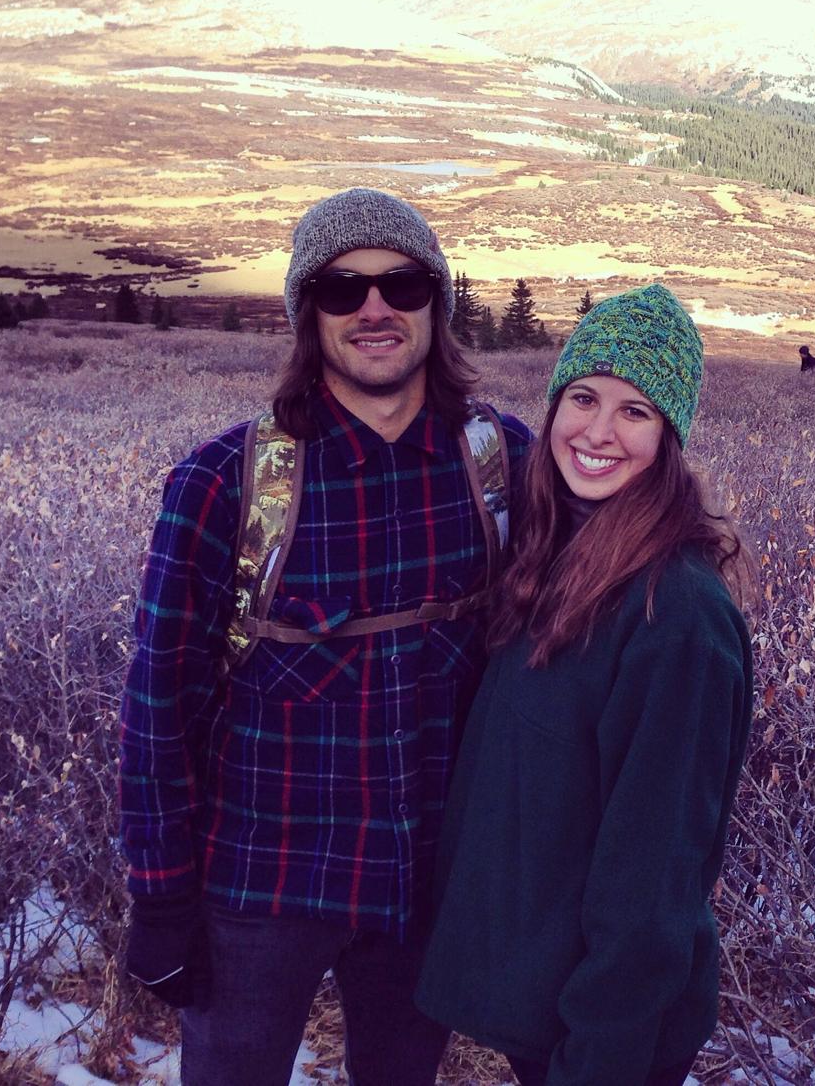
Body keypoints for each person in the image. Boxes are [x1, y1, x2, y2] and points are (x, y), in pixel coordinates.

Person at [118, 187, 530, 1086]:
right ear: (308, 313)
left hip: (428, 881)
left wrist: (706, 549)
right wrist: (160, 900)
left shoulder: (505, 466)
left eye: (403, 284)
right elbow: (159, 705)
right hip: (262, 882)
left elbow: (621, 558)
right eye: (342, 289)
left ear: (438, 302)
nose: (374, 308)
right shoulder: (223, 484)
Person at [417, 283, 753, 1086]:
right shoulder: (558, 559)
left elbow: (653, 886)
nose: (598, 432)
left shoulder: (675, 618)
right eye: (584, 397)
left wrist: (598, 1058)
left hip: (606, 1036)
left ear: (671, 436)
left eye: (636, 412)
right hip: (553, 1004)